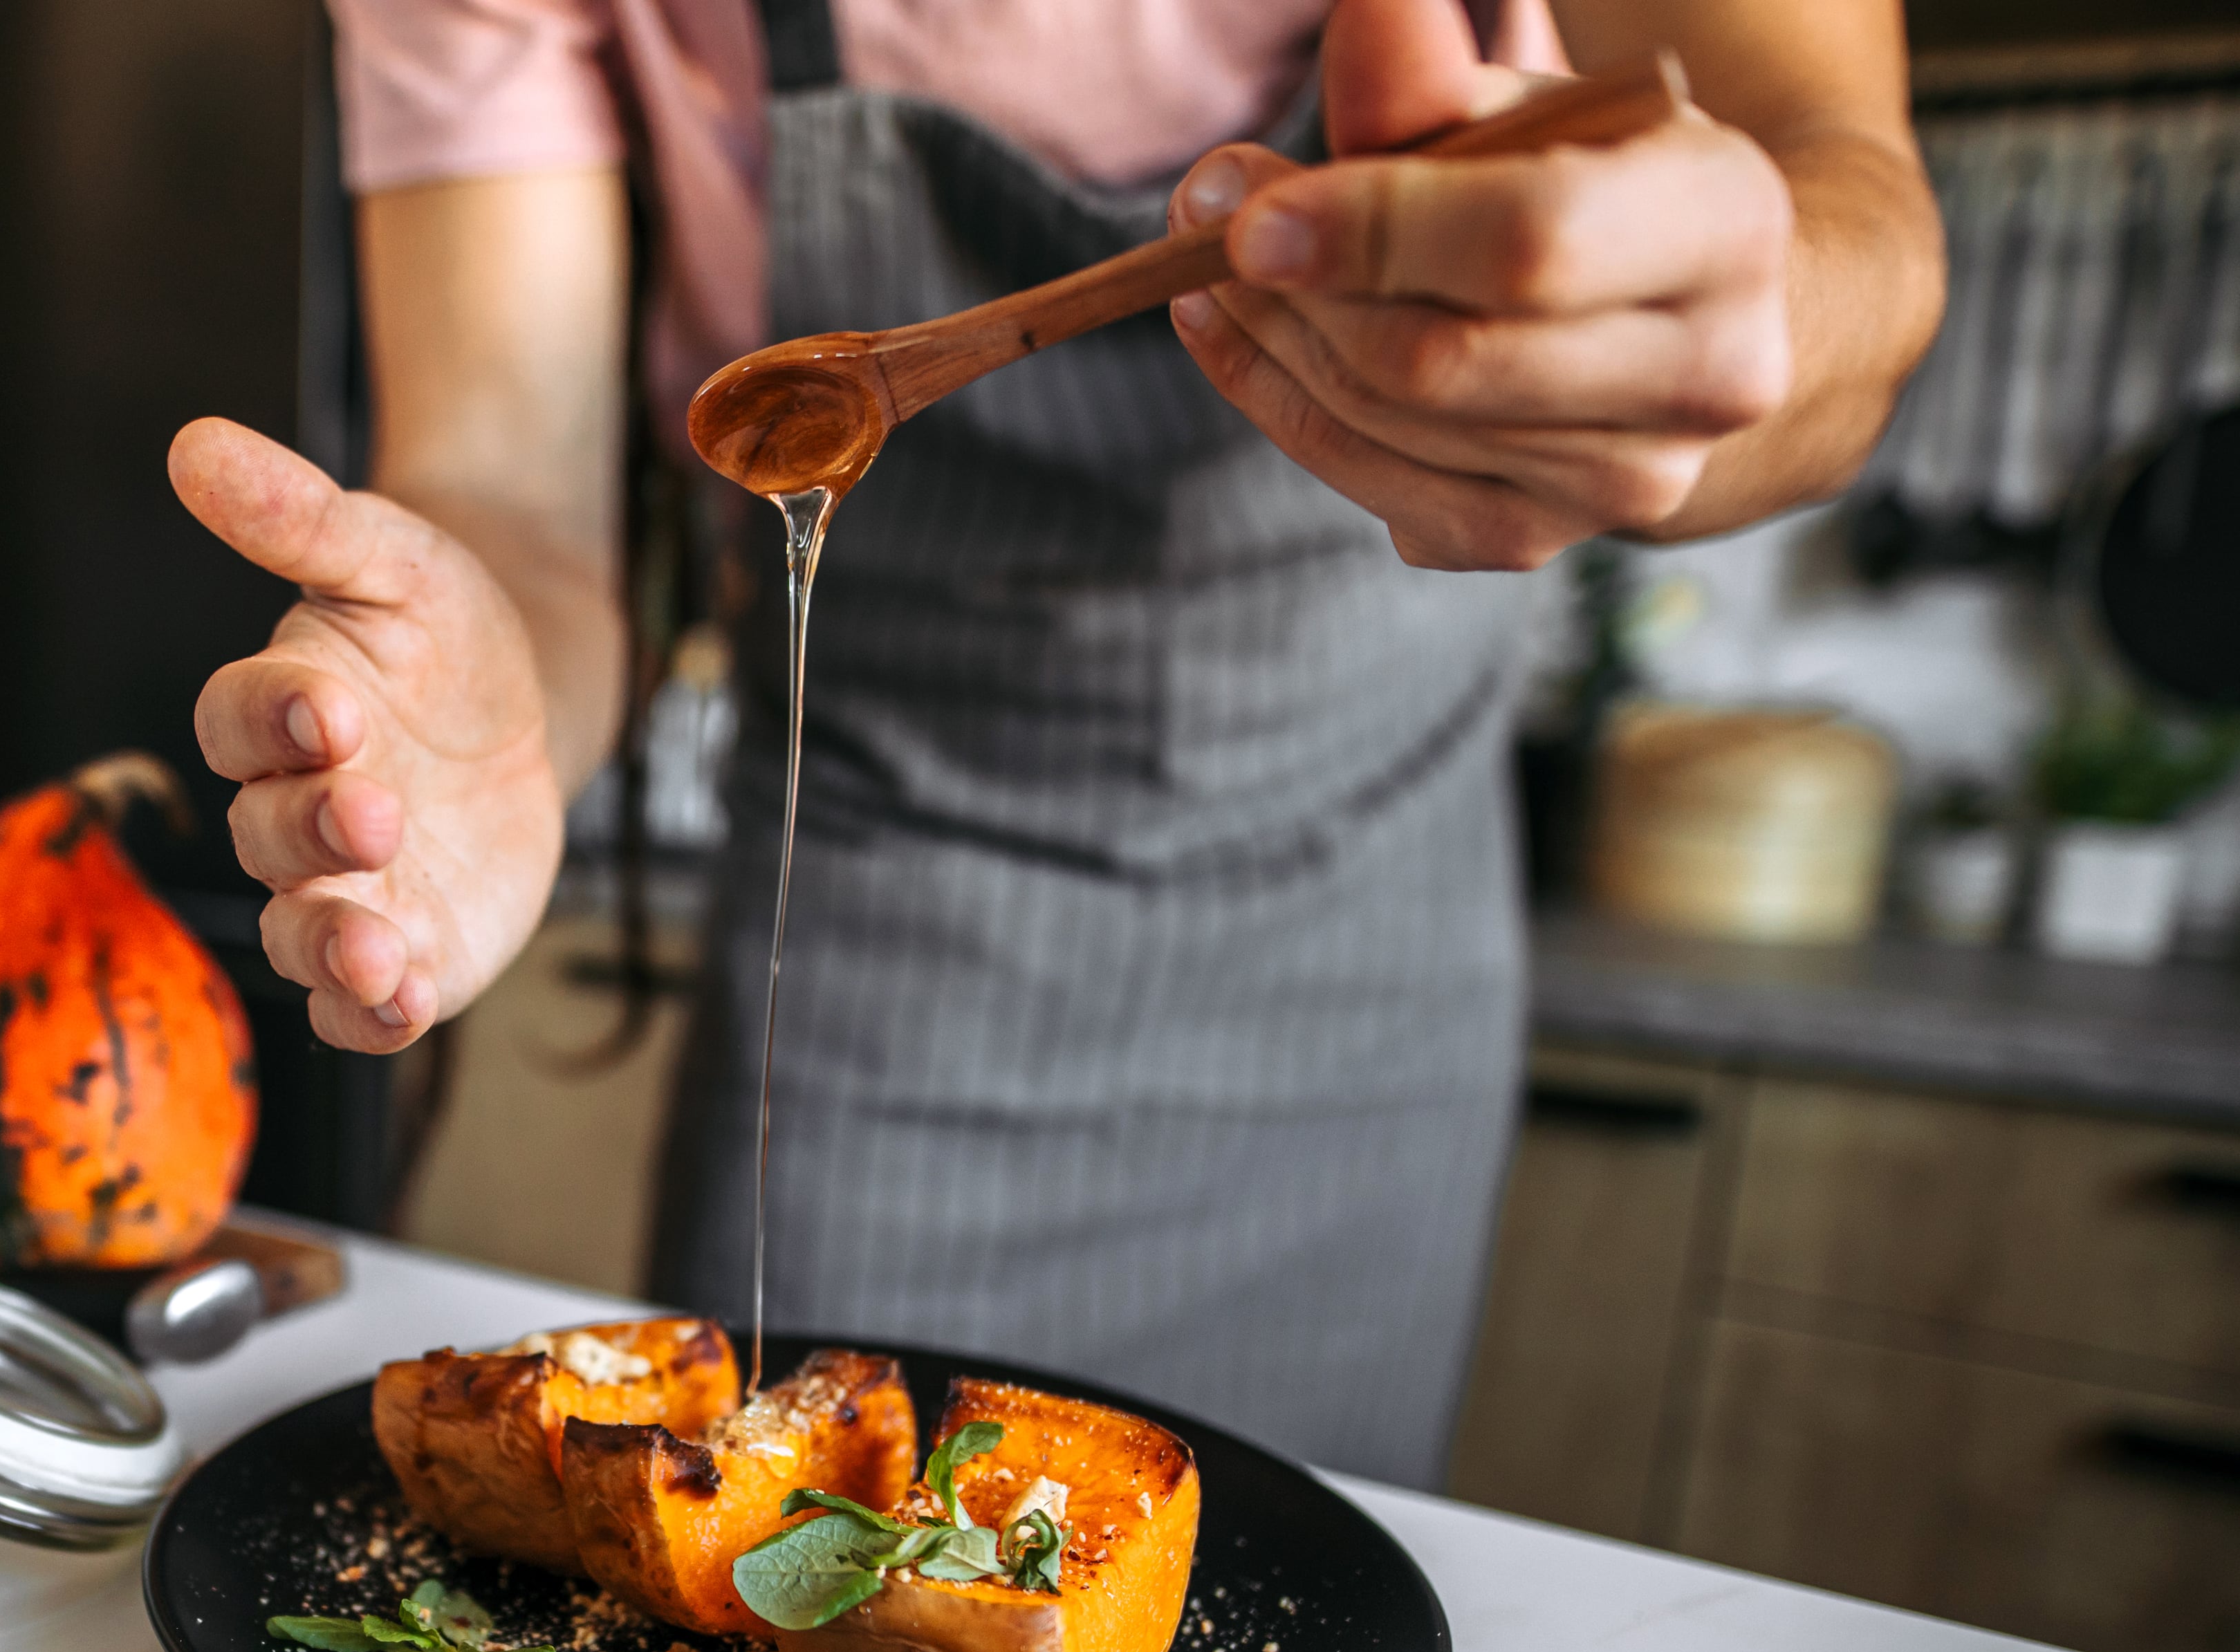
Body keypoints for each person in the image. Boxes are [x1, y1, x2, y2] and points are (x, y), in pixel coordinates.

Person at [168, 0, 1941, 1484]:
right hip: (877, 959)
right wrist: (474, 680)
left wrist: (1733, 344)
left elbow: (1849, 216)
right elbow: (511, 480)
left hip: (1357, 952)